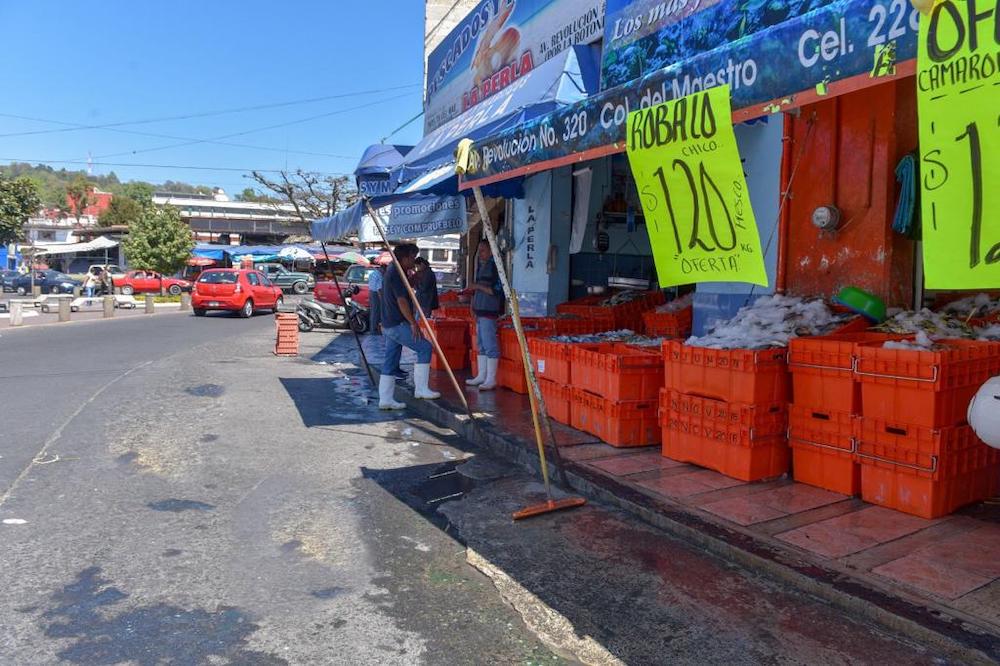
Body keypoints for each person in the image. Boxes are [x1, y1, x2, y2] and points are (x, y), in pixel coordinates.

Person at [378, 243, 440, 410]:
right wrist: (413, 323)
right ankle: (421, 389)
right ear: (404, 258)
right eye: (413, 257)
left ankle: (385, 399)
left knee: (390, 361)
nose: (414, 260)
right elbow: (402, 300)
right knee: (425, 347)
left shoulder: (395, 270)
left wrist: (414, 278)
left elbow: (403, 291)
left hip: (389, 323)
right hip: (397, 323)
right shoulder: (396, 273)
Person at [465, 239, 502, 390]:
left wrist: (477, 286)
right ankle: (481, 375)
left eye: (483, 250)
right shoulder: (482, 266)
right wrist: (473, 304)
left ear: (491, 251)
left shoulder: (495, 267)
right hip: (480, 311)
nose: (480, 254)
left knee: (489, 345)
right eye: (479, 250)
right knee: (481, 345)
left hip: (489, 311)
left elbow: (496, 291)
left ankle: (491, 379)